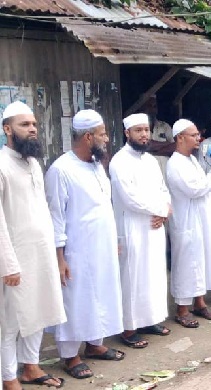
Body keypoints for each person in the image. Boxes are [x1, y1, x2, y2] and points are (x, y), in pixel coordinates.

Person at [46, 110, 125, 379]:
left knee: (100, 295)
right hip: (76, 251)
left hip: (101, 248)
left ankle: (95, 345)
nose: (107, 138)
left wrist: (113, 240)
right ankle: (70, 356)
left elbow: (104, 207)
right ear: (88, 136)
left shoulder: (95, 165)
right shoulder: (61, 169)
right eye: (103, 133)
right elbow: (55, 218)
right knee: (75, 301)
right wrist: (59, 258)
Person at [0, 102, 65, 389]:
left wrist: (53, 253)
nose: (33, 129)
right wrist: (8, 264)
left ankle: (32, 368)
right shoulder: (2, 165)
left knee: (38, 311)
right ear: (7, 129)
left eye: (34, 124)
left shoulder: (34, 163)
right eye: (25, 124)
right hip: (15, 259)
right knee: (11, 322)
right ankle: (9, 378)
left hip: (40, 253)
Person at [109, 113, 172, 338]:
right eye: (139, 130)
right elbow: (129, 198)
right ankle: (128, 328)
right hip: (132, 228)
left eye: (146, 130)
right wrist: (161, 210)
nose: (144, 134)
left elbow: (163, 190)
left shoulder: (151, 161)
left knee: (154, 275)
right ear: (127, 133)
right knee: (133, 277)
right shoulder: (119, 161)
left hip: (154, 227)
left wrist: (164, 210)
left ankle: (150, 320)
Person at [166, 119, 211, 328]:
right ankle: (182, 309)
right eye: (193, 135)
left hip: (200, 221)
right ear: (180, 137)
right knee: (187, 264)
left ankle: (200, 302)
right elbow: (195, 189)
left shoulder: (191, 160)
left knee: (200, 261)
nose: (198, 138)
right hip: (187, 223)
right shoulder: (175, 163)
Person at [141, 95, 175, 179]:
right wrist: (167, 144)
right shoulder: (139, 129)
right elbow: (148, 144)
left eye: (154, 106)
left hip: (165, 174)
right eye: (149, 106)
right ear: (142, 107)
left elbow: (175, 147)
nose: (152, 110)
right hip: (147, 174)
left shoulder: (164, 126)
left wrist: (153, 153)